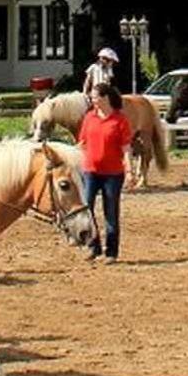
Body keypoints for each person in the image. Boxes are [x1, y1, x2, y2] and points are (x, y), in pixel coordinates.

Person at [77, 82, 131, 262]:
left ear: (105, 98)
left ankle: (111, 252)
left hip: (113, 173)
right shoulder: (89, 118)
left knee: (111, 212)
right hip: (90, 171)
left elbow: (126, 147)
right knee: (87, 208)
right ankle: (94, 247)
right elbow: (82, 143)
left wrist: (129, 170)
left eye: (95, 97)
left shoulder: (120, 120)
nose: (92, 100)